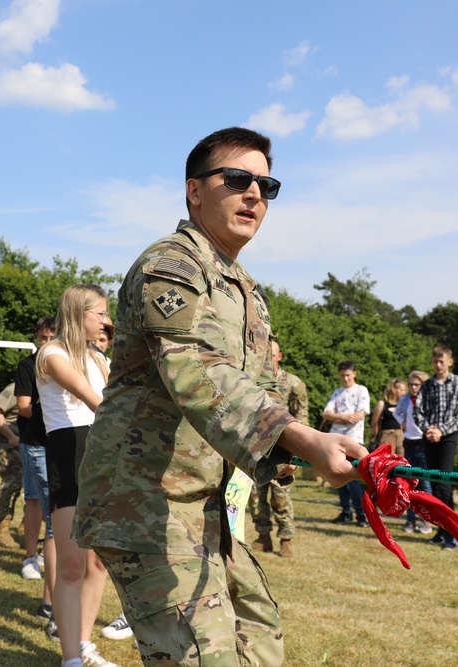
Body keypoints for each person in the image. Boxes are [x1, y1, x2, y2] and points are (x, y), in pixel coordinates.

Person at [74, 127, 367, 667]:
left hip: (204, 501)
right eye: (237, 179)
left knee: (258, 633)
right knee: (205, 657)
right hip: (144, 499)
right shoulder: (172, 265)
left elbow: (255, 387)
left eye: (267, 185)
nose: (254, 193)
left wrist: (309, 448)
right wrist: (301, 439)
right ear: (194, 190)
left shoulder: (245, 288)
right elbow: (195, 371)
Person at [37, 284, 116, 667]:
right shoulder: (50, 353)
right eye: (99, 313)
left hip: (103, 453)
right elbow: (87, 393)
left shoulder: (100, 358)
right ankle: (70, 660)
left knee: (98, 562)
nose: (106, 321)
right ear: (77, 313)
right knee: (71, 565)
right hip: (70, 454)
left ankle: (84, 644)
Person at [249, 339, 308, 558]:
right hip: (256, 448)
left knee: (280, 496)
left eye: (271, 355)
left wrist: (299, 451)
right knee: (256, 498)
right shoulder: (253, 381)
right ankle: (263, 537)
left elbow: (302, 418)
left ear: (279, 356)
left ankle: (286, 539)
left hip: (283, 450)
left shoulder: (293, 383)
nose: (267, 359)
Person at [15, 316, 56, 626]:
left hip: (60, 442)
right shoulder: (29, 366)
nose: (45, 343)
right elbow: (24, 407)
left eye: (50, 337)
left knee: (55, 512)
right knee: (35, 501)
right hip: (35, 442)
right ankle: (32, 556)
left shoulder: (66, 362)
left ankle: (46, 559)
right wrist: (51, 403)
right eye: (41, 338)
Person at [413, 344, 458, 550]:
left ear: (450, 361)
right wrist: (429, 429)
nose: (438, 365)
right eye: (435, 361)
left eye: (442, 361)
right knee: (435, 485)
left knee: (445, 484)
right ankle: (441, 529)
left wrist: (442, 430)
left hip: (448, 437)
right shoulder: (427, 385)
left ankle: (453, 532)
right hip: (429, 437)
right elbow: (417, 411)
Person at [324, 360, 372, 528]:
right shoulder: (337, 392)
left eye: (348, 375)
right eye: (342, 375)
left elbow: (358, 415)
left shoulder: (361, 390)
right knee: (337, 474)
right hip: (334, 438)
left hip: (353, 439)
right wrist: (344, 417)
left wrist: (337, 416)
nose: (345, 378)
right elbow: (326, 414)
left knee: (352, 478)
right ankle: (346, 512)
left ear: (354, 374)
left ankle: (361, 514)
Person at [393, 370, 433, 534]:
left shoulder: (429, 399)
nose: (414, 387)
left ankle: (427, 521)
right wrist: (403, 422)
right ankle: (410, 520)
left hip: (424, 444)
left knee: (426, 484)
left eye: (417, 384)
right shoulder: (406, 399)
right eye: (411, 384)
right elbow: (396, 412)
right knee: (408, 484)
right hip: (409, 443)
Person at [0, 382, 22, 550]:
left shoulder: (48, 388)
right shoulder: (17, 388)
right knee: (14, 476)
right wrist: (11, 436)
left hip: (26, 443)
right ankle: (2, 531)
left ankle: (27, 526)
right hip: (3, 440)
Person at [371, 378, 406, 455]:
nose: (404, 393)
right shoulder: (382, 404)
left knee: (402, 460)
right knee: (386, 459)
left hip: (399, 436)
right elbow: (374, 423)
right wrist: (377, 437)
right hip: (386, 435)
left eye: (404, 390)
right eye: (401, 390)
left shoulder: (402, 405)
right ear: (394, 389)